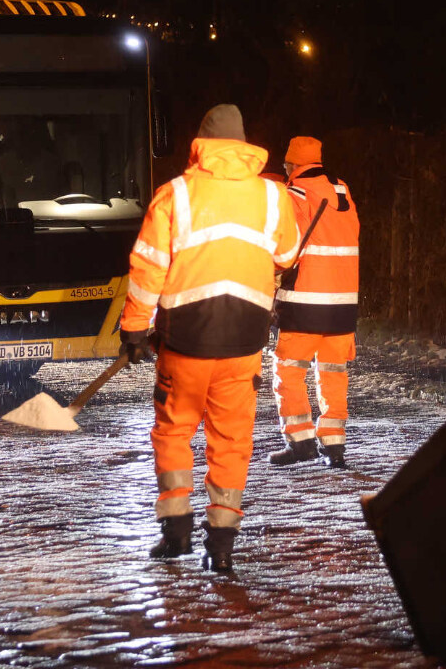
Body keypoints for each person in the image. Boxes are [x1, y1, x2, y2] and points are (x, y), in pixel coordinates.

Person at [119, 104, 300, 573]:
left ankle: (176, 531)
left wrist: (135, 328)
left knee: (174, 430)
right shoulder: (273, 196)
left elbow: (148, 270)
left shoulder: (175, 195)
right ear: (244, 146)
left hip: (185, 341)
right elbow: (287, 254)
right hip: (245, 340)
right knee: (232, 439)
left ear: (201, 142)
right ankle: (221, 545)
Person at [269, 136, 360, 469]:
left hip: (305, 301)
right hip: (344, 302)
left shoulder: (292, 195)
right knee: (334, 372)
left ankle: (301, 441)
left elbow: (282, 245)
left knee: (289, 372)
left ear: (293, 165)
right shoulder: (342, 191)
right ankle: (334, 447)